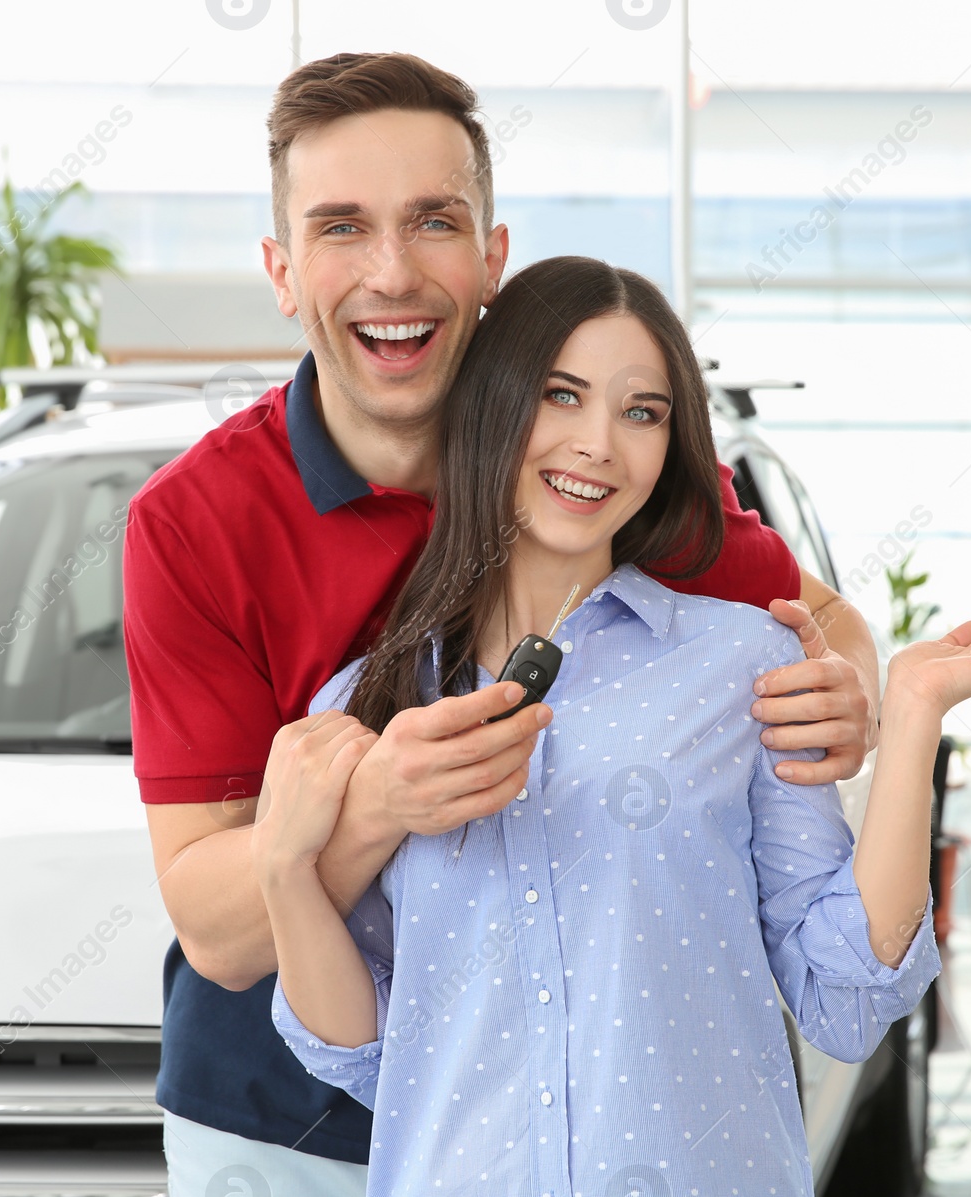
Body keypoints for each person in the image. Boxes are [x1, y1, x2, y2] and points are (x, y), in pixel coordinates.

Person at [124, 53, 891, 1195]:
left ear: (490, 257)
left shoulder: (583, 462)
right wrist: (377, 801)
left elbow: (813, 619)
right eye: (341, 227)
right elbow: (224, 934)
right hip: (278, 1131)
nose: (391, 270)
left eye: (432, 220)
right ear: (283, 272)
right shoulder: (195, 523)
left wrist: (861, 695)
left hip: (583, 1122)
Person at [255, 255, 971, 1196]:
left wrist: (915, 717)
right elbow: (360, 1051)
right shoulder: (369, 705)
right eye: (561, 396)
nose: (599, 443)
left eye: (641, 411)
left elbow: (844, 999)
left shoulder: (744, 666)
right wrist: (283, 870)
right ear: (491, 406)